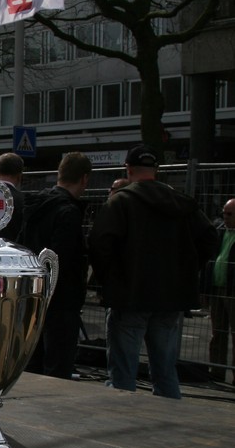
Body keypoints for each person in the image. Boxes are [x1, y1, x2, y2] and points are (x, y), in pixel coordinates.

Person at [88, 144, 218, 399]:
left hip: (130, 295)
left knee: (123, 372)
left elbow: (100, 244)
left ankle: (122, 416)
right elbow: (209, 238)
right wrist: (187, 269)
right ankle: (169, 413)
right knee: (165, 369)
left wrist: (109, 280)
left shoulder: (121, 202)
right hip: (170, 296)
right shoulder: (179, 202)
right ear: (156, 169)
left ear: (128, 169)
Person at [20, 152, 92, 379]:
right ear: (84, 179)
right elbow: (64, 258)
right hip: (62, 299)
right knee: (58, 365)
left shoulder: (35, 206)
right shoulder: (68, 212)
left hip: (33, 294)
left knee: (32, 361)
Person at [204, 198, 235, 383]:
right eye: (224, 213)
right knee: (218, 333)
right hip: (217, 287)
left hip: (233, 291)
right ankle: (216, 371)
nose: (226, 217)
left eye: (230, 214)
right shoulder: (220, 231)